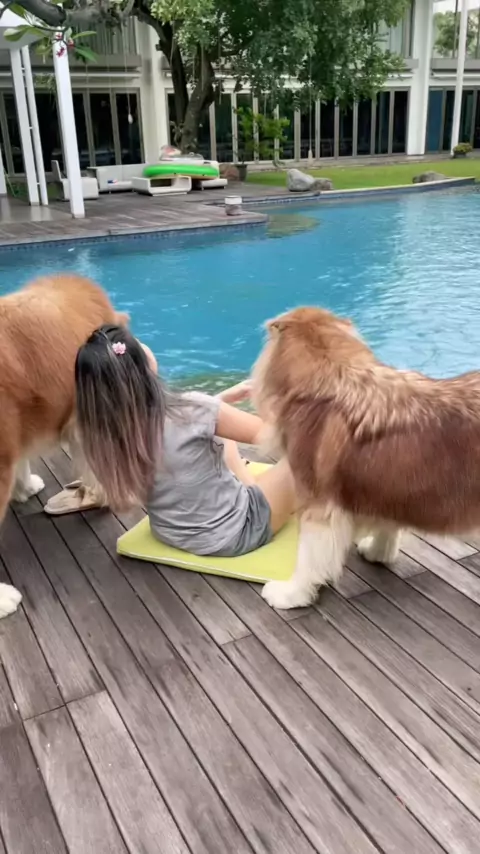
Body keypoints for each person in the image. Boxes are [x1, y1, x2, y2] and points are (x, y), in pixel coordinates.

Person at [69, 324, 297, 558]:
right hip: (239, 530)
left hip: (171, 531)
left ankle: (251, 483)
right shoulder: (194, 409)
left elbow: (179, 431)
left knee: (220, 438)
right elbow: (275, 437)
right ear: (141, 366)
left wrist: (218, 403)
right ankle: (259, 488)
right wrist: (271, 402)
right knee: (306, 450)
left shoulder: (107, 435)